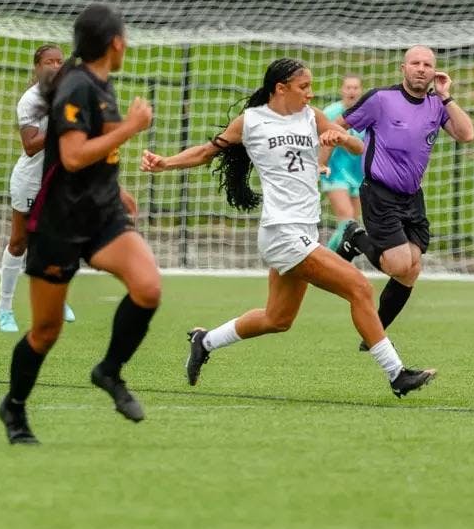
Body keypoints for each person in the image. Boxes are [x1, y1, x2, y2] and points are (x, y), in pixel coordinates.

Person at [140, 58, 436, 399]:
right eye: (303, 87)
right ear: (280, 89)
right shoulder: (251, 121)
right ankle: (396, 374)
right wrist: (165, 163)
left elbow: (358, 146)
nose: (310, 94)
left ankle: (204, 341)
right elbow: (207, 153)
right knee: (359, 287)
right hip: (282, 232)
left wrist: (338, 139)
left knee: (277, 318)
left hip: (303, 231)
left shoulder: (311, 117)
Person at [0, 4, 159, 445]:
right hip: (59, 222)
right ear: (115, 43)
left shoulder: (103, 87)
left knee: (147, 287)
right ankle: (13, 408)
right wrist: (130, 128)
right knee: (45, 331)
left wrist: (118, 184)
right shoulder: (75, 87)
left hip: (102, 212)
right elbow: (71, 156)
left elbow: (97, 151)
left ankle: (109, 371)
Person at [332, 46, 474, 348]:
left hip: (411, 196)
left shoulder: (437, 105)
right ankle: (354, 236)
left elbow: (466, 134)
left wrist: (446, 95)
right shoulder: (381, 99)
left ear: (434, 71)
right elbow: (338, 126)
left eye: (427, 64)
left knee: (411, 270)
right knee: (398, 265)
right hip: (379, 191)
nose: (421, 68)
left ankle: (373, 334)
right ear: (403, 68)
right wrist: (326, 154)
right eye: (415, 63)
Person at [0, 44, 76, 332]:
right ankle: (4, 307)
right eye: (49, 62)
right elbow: (30, 146)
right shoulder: (29, 100)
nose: (55, 66)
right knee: (19, 242)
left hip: (60, 179)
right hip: (30, 180)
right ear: (37, 67)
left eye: (59, 61)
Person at [320, 74, 365, 251]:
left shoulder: (366, 114)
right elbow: (320, 139)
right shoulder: (331, 113)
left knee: (353, 225)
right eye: (348, 87)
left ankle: (340, 261)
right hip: (335, 174)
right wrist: (321, 163)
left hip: (359, 174)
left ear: (360, 91)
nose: (352, 91)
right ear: (342, 90)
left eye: (355, 88)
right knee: (346, 220)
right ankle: (329, 261)